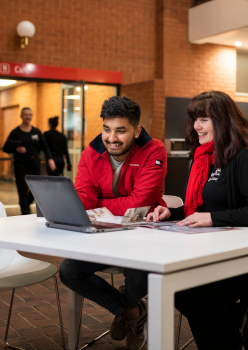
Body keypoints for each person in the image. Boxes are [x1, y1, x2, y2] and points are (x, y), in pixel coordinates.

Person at [146, 91, 248, 350]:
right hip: (213, 251)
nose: (196, 126)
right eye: (194, 120)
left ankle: (230, 330)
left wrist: (213, 218)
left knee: (191, 291)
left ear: (224, 121)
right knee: (176, 285)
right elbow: (200, 209)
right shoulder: (203, 159)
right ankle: (232, 323)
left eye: (203, 119)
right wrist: (172, 212)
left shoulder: (247, 158)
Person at [59, 96, 168, 350]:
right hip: (102, 236)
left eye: (121, 130)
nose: (112, 138)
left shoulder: (154, 150)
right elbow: (84, 196)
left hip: (141, 235)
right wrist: (89, 202)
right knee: (69, 271)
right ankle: (133, 312)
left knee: (139, 279)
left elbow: (140, 202)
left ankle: (127, 308)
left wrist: (100, 204)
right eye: (107, 129)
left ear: (137, 130)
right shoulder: (90, 153)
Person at [2, 107, 55, 215]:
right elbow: (5, 148)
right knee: (22, 188)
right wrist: (16, 149)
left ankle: (26, 203)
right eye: (26, 115)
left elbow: (45, 146)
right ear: (21, 116)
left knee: (35, 188)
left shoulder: (36, 131)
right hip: (20, 164)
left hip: (34, 163)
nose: (28, 117)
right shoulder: (15, 132)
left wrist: (50, 158)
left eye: (30, 115)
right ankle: (25, 212)